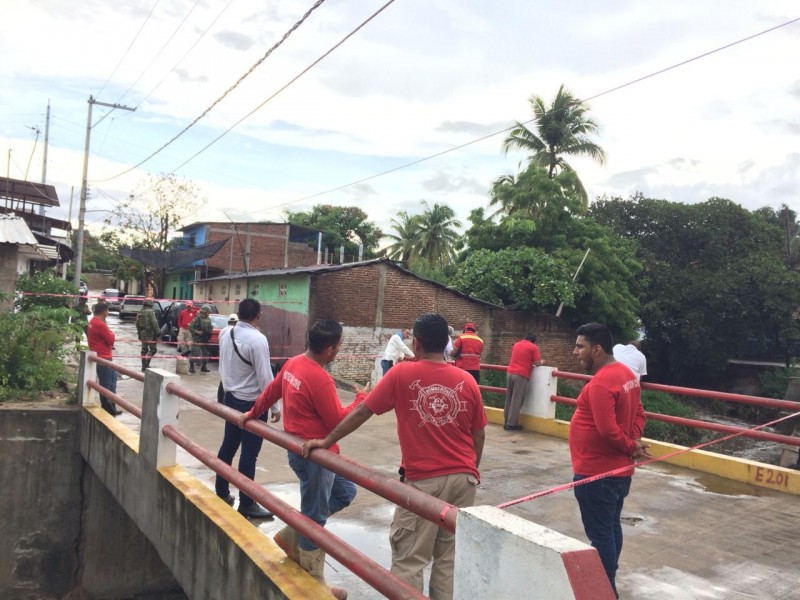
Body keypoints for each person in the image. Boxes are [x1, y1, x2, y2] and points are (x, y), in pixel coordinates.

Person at [303, 313, 487, 600]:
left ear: (417, 341)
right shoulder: (467, 380)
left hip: (424, 482)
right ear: (447, 343)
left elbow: (364, 412)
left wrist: (327, 441)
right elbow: (479, 434)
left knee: (410, 557)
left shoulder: (402, 374)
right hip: (464, 481)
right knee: (447, 558)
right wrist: (471, 471)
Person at [240, 319, 369, 600]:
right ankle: (316, 583)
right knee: (316, 519)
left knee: (345, 492)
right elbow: (338, 422)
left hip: (307, 452)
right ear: (332, 349)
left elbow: (272, 390)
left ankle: (291, 534)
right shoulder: (320, 378)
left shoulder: (294, 363)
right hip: (314, 456)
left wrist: (253, 412)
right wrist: (361, 399)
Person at [570, 322, 651, 597]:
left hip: (598, 474)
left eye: (580, 346)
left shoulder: (603, 382)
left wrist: (631, 445)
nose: (575, 352)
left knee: (601, 535)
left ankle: (606, 591)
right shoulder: (626, 374)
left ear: (597, 349)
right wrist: (634, 444)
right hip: (616, 473)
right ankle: (609, 583)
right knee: (610, 529)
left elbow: (607, 431)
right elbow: (640, 413)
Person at [215, 298, 280, 519]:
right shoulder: (257, 340)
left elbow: (224, 364)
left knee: (228, 446)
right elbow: (265, 377)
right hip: (252, 403)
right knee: (249, 454)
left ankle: (221, 492)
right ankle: (247, 503)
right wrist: (275, 405)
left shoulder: (226, 333)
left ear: (238, 314)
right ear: (259, 315)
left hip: (230, 397)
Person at [503, 331, 544, 430]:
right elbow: (537, 363)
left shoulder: (516, 344)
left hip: (510, 373)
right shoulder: (533, 347)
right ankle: (511, 424)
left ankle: (506, 421)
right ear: (533, 341)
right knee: (517, 399)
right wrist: (542, 362)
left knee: (509, 398)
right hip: (521, 374)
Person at [86, 302, 121, 416]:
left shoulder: (92, 322)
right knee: (107, 383)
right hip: (104, 357)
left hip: (99, 356)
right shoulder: (100, 324)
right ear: (104, 311)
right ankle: (108, 408)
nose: (108, 312)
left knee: (111, 380)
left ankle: (110, 406)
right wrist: (112, 334)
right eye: (107, 310)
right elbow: (111, 339)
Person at [135, 298, 160, 372]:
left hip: (142, 333)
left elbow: (137, 324)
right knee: (153, 349)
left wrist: (139, 333)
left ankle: (143, 366)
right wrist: (158, 331)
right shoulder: (150, 311)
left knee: (144, 350)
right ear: (150, 304)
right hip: (150, 333)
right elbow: (154, 322)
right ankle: (146, 364)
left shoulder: (140, 312)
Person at [189, 304, 213, 373]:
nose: (209, 313)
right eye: (208, 312)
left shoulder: (209, 320)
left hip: (205, 339)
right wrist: (197, 332)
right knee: (195, 353)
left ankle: (204, 366)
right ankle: (191, 366)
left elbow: (210, 328)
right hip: (197, 339)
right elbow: (190, 327)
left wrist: (209, 332)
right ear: (204, 312)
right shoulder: (197, 319)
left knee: (206, 353)